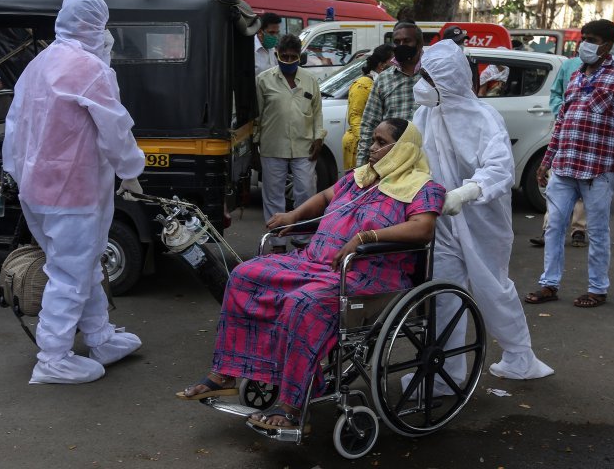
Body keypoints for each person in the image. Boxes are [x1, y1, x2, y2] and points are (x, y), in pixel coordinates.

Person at [177, 119, 445, 430]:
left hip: (366, 276)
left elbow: (423, 229)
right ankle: (225, 372)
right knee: (243, 277)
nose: (371, 148)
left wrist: (365, 237)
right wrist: (294, 215)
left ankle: (292, 402)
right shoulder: (359, 179)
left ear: (402, 149)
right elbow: (324, 198)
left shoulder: (422, 187)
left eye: (381, 142)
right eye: (372, 140)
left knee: (302, 304)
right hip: (313, 262)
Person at [2, 0, 145, 384]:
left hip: (37, 190)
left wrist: (19, 174)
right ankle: (53, 356)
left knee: (84, 265)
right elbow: (115, 127)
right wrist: (131, 169)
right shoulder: (90, 69)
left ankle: (99, 336)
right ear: (98, 25)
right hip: (75, 192)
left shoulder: (38, 64)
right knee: (70, 273)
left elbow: (15, 126)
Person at [413, 39, 553, 381]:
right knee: (445, 294)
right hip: (442, 221)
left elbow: (499, 169)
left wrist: (466, 192)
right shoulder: (424, 115)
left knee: (492, 288)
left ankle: (520, 356)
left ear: (447, 80)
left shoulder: (483, 118)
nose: (421, 86)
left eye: (429, 79)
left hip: (481, 219)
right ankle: (448, 372)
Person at [526, 19, 614, 309]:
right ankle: (549, 284)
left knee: (598, 231)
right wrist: (548, 159)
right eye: (583, 38)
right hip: (564, 166)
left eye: (590, 39)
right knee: (554, 227)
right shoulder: (577, 75)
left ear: (606, 44)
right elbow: (563, 122)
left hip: (598, 170)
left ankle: (597, 289)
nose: (584, 44)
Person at [254, 34, 324, 253]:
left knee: (306, 190)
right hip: (272, 145)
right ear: (277, 56)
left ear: (300, 57)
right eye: (284, 56)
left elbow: (317, 111)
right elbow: (257, 115)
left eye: (293, 57)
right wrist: (254, 145)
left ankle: (302, 239)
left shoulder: (310, 79)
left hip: (304, 145)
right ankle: (278, 243)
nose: (288, 60)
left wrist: (319, 137)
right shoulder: (264, 79)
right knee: (273, 196)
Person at [529, 53, 587, 248]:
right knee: (557, 182)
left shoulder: (608, 71)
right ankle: (549, 229)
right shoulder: (570, 65)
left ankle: (578, 228)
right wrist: (561, 111)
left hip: (590, 134)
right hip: (565, 129)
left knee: (584, 181)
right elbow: (555, 93)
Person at [356, 21, 423, 166]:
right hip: (391, 161)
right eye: (397, 42)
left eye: (407, 41)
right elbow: (369, 124)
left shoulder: (433, 74)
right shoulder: (384, 79)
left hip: (426, 159)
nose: (401, 45)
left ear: (419, 44)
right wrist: (362, 166)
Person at [341, 44, 394, 169]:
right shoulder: (363, 84)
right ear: (381, 65)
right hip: (359, 145)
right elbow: (355, 118)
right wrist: (370, 144)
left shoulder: (384, 84)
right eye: (393, 61)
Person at [254, 12, 281, 77]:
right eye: (271, 32)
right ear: (260, 32)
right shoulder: (250, 49)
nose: (275, 36)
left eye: (277, 33)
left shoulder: (273, 49)